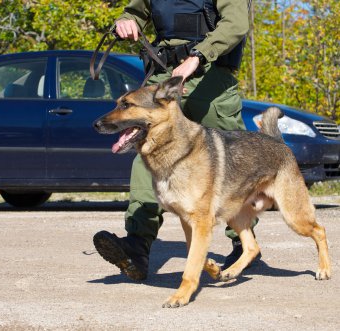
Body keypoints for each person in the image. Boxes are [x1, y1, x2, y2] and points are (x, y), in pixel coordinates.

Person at [93, 0, 260, 281]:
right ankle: (137, 245)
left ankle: (242, 242)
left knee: (231, 161)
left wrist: (198, 56)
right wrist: (126, 21)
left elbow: (236, 23)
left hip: (210, 78)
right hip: (164, 77)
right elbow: (135, 11)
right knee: (148, 153)